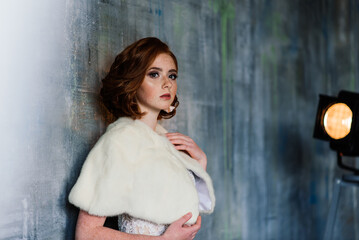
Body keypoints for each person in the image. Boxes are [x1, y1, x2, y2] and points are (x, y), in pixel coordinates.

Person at [68, 37, 215, 240]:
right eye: (154, 74)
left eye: (172, 76)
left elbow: (179, 213)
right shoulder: (121, 141)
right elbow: (86, 234)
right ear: (133, 81)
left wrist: (199, 164)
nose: (167, 84)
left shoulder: (166, 142)